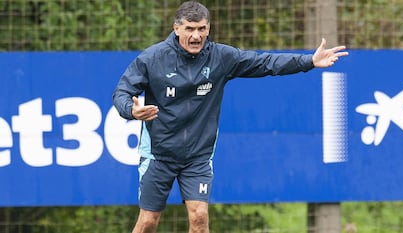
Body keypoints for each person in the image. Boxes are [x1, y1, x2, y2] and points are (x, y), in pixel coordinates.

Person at [112, 1, 348, 232]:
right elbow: (122, 92)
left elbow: (265, 62)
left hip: (198, 156)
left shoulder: (220, 57)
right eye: (190, 29)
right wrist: (131, 111)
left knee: (200, 218)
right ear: (176, 28)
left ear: (208, 29)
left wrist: (309, 61)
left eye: (202, 29)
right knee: (148, 222)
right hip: (158, 154)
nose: (196, 36)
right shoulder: (153, 58)